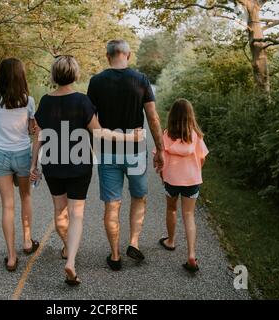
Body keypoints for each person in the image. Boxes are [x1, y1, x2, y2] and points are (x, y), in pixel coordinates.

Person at [30, 55, 142, 285]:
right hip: (79, 165)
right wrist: (128, 137)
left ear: (53, 76)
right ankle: (70, 261)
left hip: (52, 164)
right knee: (76, 215)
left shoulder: (45, 101)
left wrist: (34, 164)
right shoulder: (82, 101)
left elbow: (38, 136)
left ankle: (66, 247)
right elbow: (100, 133)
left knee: (60, 212)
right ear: (75, 75)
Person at [87, 40, 165, 271]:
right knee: (138, 197)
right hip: (135, 151)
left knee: (112, 205)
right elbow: (153, 117)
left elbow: (91, 120)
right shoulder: (140, 80)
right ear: (128, 54)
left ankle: (114, 255)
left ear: (107, 55)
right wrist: (160, 149)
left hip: (107, 151)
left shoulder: (96, 81)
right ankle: (134, 242)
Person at [0, 58, 40, 272]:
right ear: (21, 75)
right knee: (26, 197)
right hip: (21, 154)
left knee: (7, 205)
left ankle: (10, 257)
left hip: (0, 154)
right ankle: (27, 242)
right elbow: (31, 130)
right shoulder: (29, 101)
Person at [157, 99, 209, 273]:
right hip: (191, 180)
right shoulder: (195, 135)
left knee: (171, 209)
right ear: (190, 116)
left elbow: (159, 158)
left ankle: (170, 241)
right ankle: (191, 255)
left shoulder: (166, 135)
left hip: (171, 180)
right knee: (189, 215)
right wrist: (195, 170)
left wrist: (161, 173)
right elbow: (202, 158)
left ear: (172, 116)